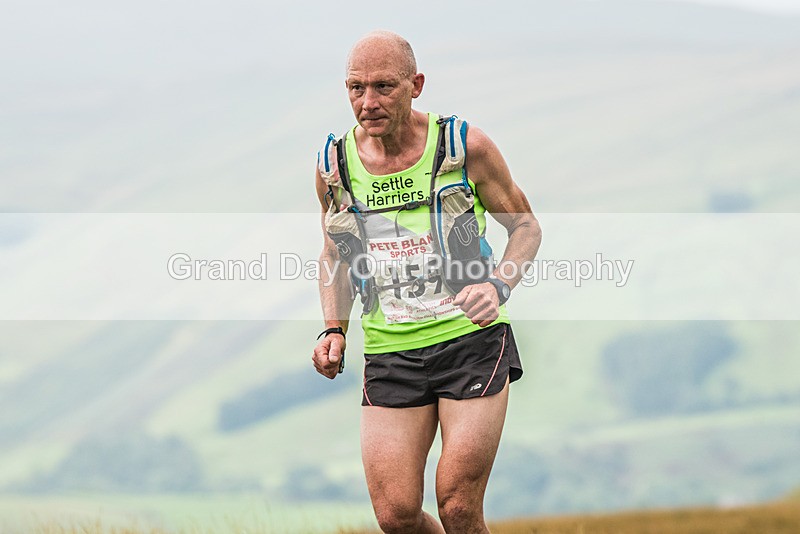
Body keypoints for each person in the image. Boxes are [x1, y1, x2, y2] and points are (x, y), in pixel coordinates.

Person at [312, 30, 541, 534]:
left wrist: (499, 284)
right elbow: (334, 251)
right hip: (391, 352)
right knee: (396, 516)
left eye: (383, 87)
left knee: (458, 505)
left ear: (415, 84)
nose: (367, 103)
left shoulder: (465, 147)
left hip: (471, 343)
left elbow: (525, 226)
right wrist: (333, 328)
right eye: (355, 88)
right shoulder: (334, 167)